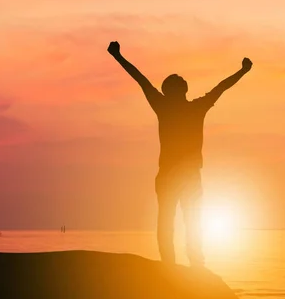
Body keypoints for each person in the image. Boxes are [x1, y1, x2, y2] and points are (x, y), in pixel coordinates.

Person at [107, 41, 252, 266]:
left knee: (174, 220)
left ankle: (180, 264)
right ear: (182, 90)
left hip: (179, 175)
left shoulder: (168, 106)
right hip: (181, 175)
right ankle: (188, 264)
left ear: (168, 91)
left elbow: (141, 79)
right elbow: (221, 87)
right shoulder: (193, 107)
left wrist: (118, 55)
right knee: (184, 220)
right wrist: (242, 71)